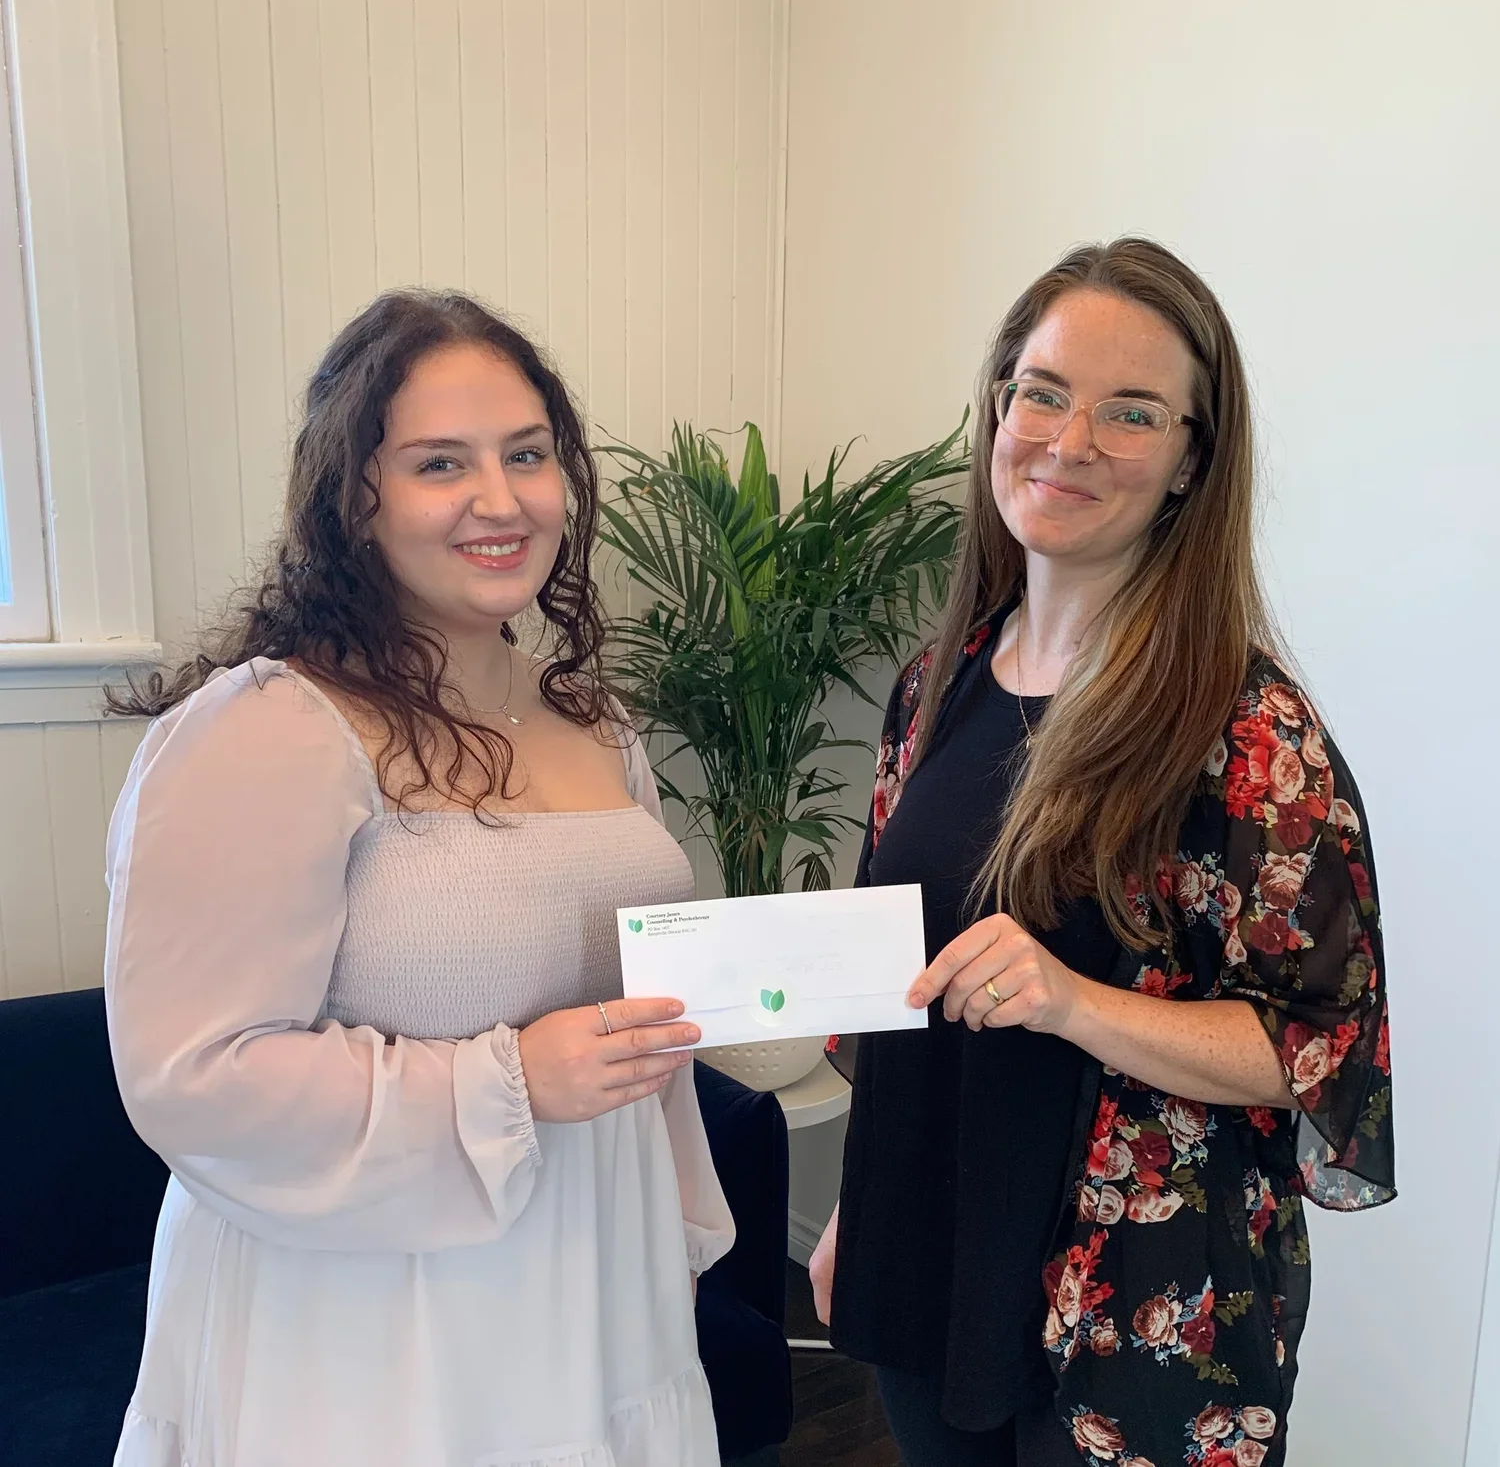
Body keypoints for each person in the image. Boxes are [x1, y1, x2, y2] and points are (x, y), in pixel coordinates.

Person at [103, 290, 733, 1467]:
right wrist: (507, 1084)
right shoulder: (266, 732)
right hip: (373, 1319)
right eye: (441, 462)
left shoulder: (593, 722)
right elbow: (191, 1076)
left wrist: (668, 1226)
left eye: (528, 455)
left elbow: (632, 1010)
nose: (500, 501)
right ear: (358, 495)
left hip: (599, 1263)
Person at [809, 238, 1393, 1467]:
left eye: (1132, 414)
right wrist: (860, 1205)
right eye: (1044, 393)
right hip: (933, 1258)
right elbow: (890, 979)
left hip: (1140, 1314)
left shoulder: (1245, 731)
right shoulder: (936, 689)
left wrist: (1072, 1001)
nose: (1070, 444)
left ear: (1190, 461)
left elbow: (1317, 1047)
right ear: (997, 409)